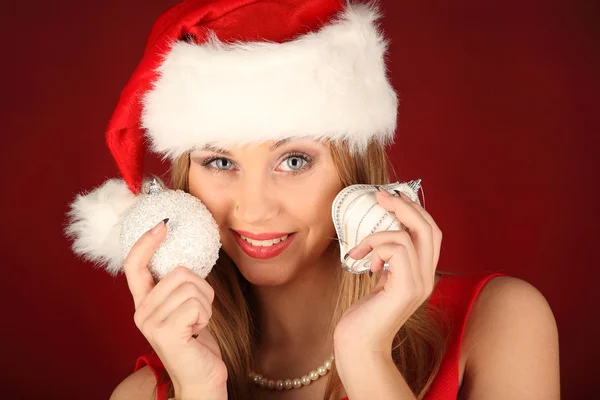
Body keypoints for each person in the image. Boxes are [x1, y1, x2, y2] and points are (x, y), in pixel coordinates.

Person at [66, 1, 560, 399]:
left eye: (295, 160)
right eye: (219, 162)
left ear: (353, 169)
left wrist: (367, 358)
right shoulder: (144, 394)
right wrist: (200, 390)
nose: (254, 209)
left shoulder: (500, 324)